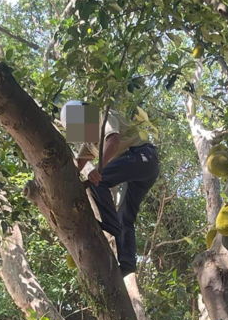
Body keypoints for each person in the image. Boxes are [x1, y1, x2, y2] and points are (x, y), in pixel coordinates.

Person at [60, 100, 159, 277]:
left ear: (84, 115)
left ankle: (110, 225)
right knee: (125, 216)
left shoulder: (103, 116)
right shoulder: (90, 141)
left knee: (98, 181)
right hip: (139, 171)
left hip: (143, 156)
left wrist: (98, 170)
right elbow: (77, 166)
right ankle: (128, 263)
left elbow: (113, 141)